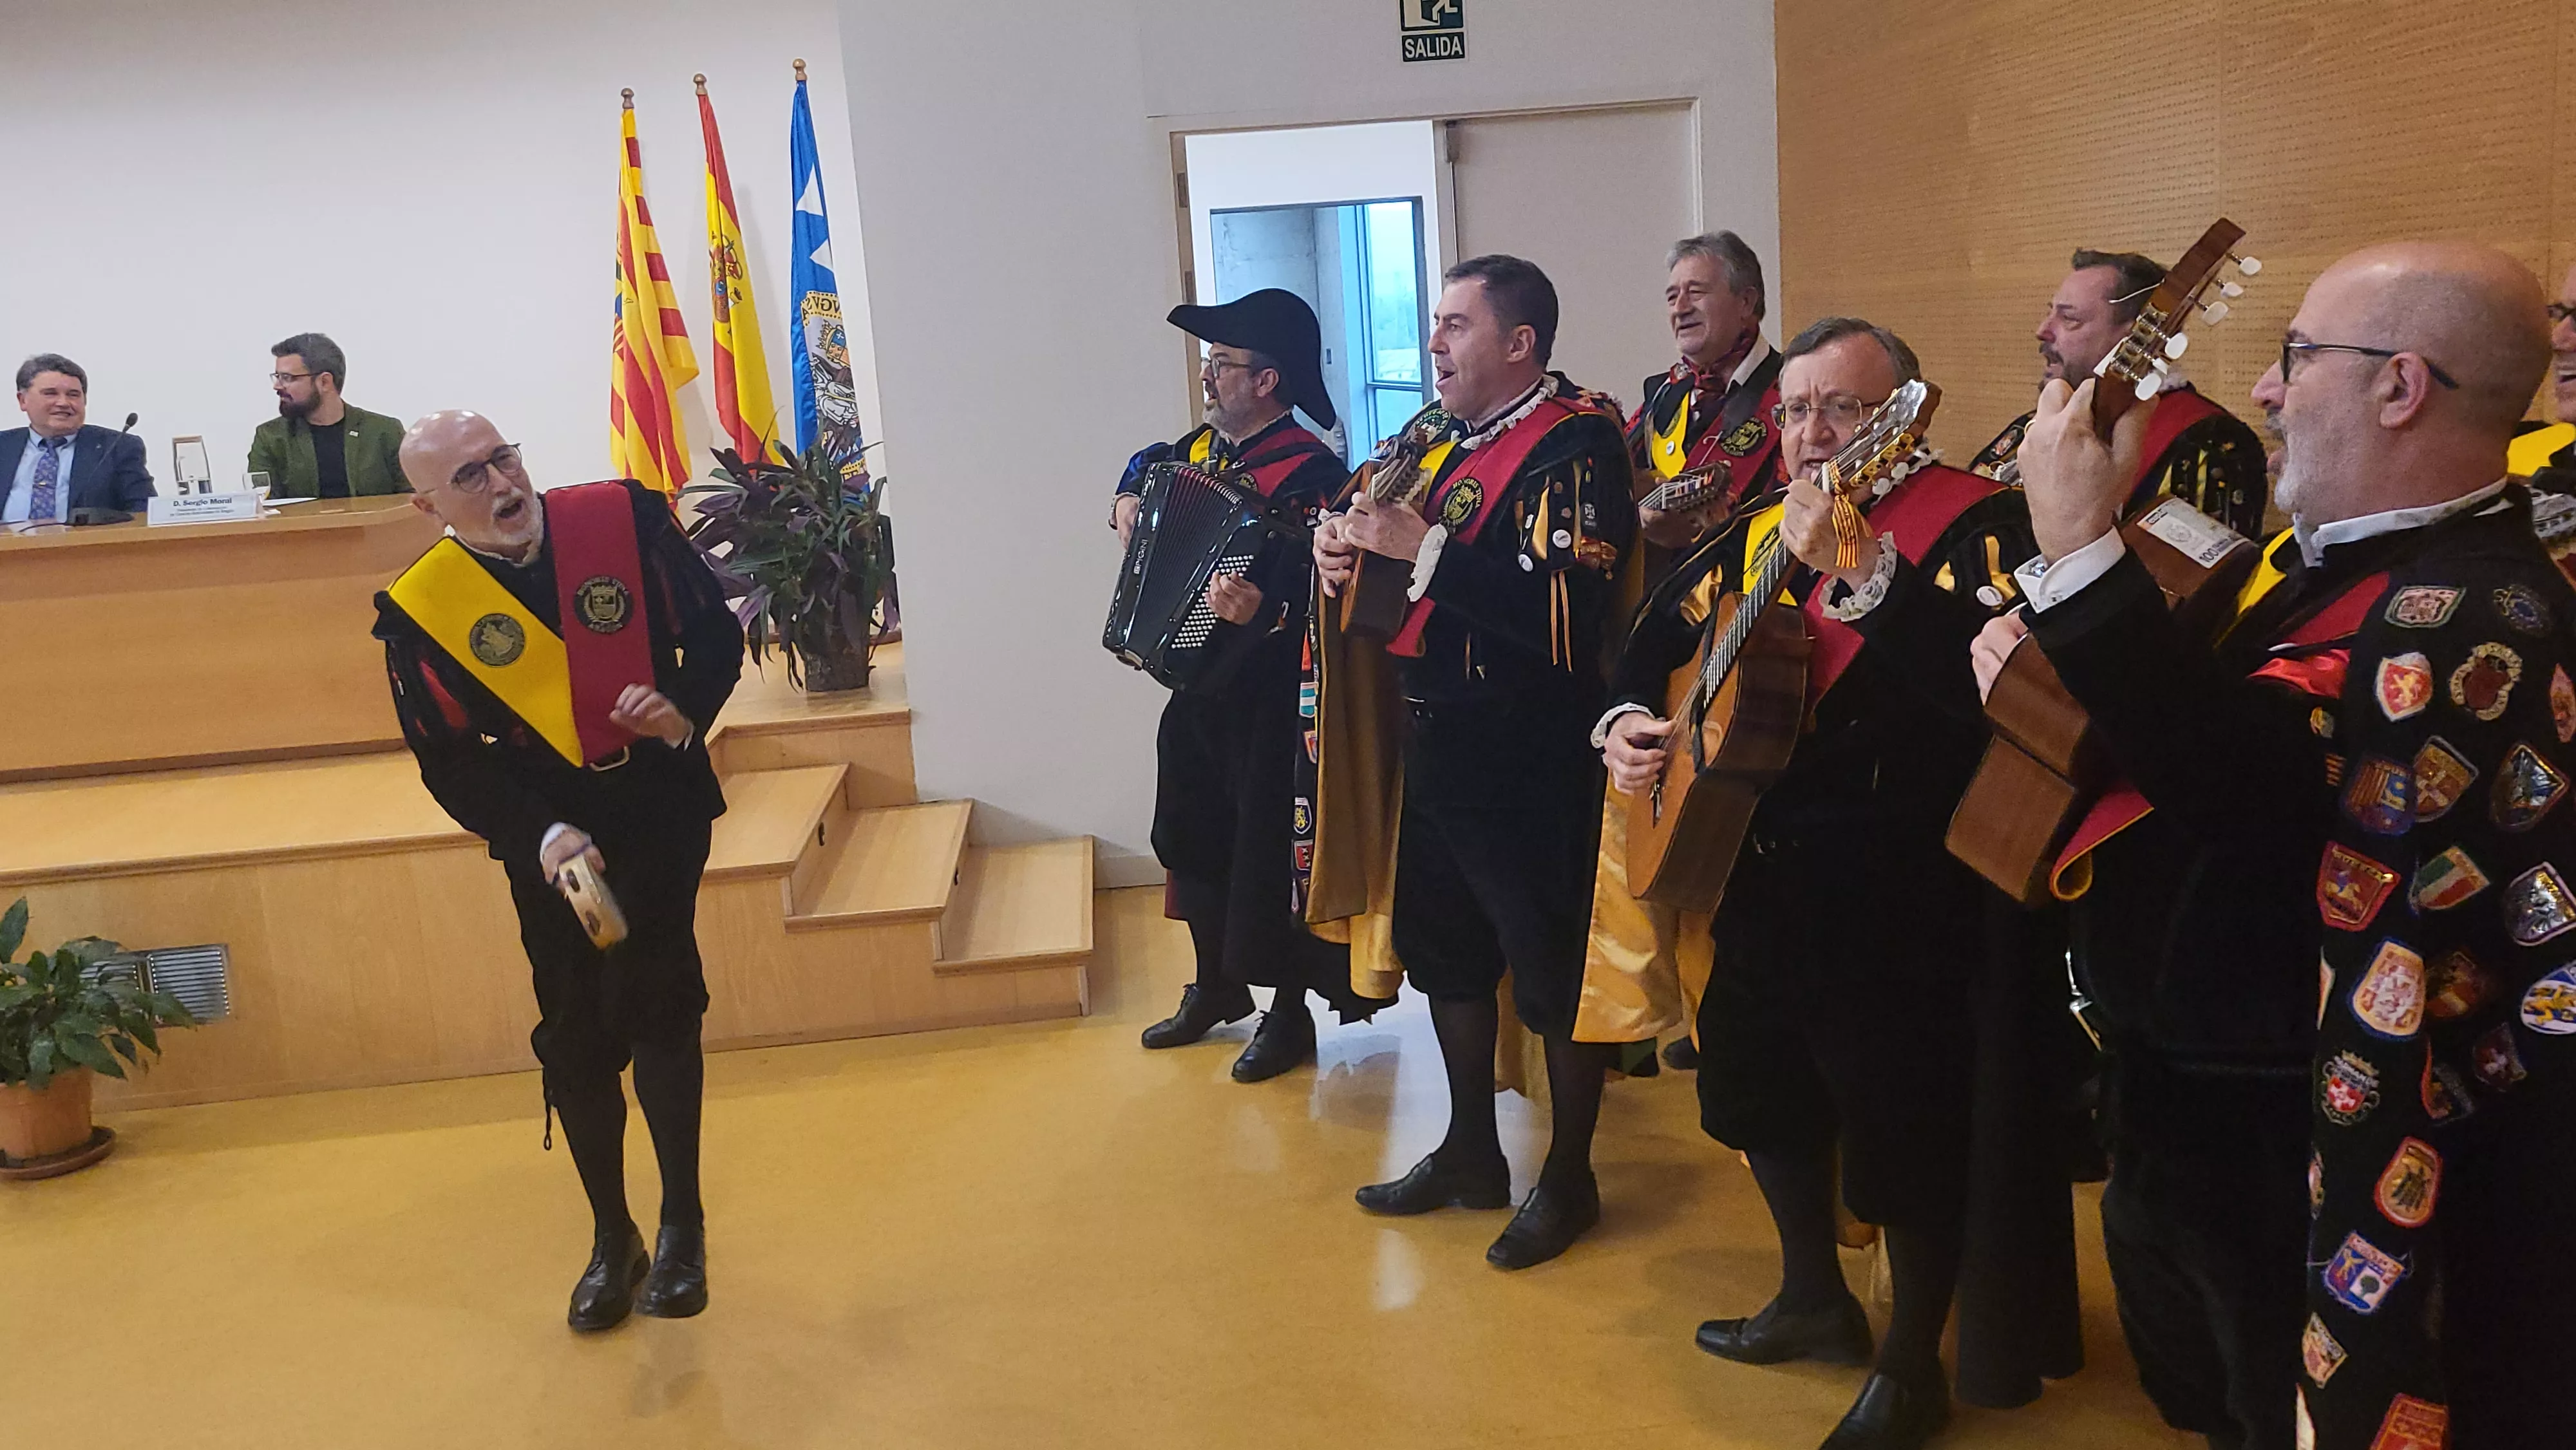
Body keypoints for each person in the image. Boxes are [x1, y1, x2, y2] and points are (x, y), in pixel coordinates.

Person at [2003, 240, 2575, 1449]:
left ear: (2400, 385)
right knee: (2210, 1397)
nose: (2265, 389)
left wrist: (2080, 551)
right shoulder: (2339, 562)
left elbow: (2254, 791)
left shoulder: (2475, 608)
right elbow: (2206, 730)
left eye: (2297, 355)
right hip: (2184, 1094)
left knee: (2276, 1405)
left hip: (2296, 1133)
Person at [1600, 318, 2033, 1449]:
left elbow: (2001, 696)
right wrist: (1627, 721)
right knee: (1756, 1092)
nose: (1810, 431)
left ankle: (1912, 1363)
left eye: (1840, 407)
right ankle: (1811, 1296)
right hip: (1759, 863)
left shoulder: (1979, 519)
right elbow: (1647, 640)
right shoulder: (1758, 526)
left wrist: (1868, 573)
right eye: (1794, 409)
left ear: (1903, 415)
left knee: (1905, 1130)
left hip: (1902, 886)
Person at [374, 411, 744, 1332]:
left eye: (503, 458)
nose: (503, 484)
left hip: (656, 804)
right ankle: (613, 1237)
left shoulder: (620, 522)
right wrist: (540, 834)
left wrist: (681, 711)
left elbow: (715, 638)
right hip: (552, 838)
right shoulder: (422, 610)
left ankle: (683, 1226)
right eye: (470, 476)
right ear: (428, 506)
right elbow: (447, 760)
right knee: (576, 1033)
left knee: (661, 1001)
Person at [1307, 254, 1637, 1270]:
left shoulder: (1578, 439)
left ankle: (1570, 1177)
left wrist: (1425, 551)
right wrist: (1335, 542)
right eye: (1436, 324)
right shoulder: (1436, 434)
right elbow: (1360, 506)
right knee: (1445, 950)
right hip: (1436, 729)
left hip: (1529, 744)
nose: (1434, 343)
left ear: (1520, 343)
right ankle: (1469, 1151)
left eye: (1456, 324)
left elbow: (1569, 613)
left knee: (1549, 968)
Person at [1114, 288, 1387, 1079]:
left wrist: (1267, 608)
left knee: (1270, 854)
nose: (1208, 375)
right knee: (1189, 831)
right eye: (1210, 361)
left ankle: (1288, 1012)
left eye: (1223, 363)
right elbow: (1145, 465)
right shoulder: (1199, 452)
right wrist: (1123, 498)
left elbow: (1338, 589)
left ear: (1268, 381)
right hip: (1199, 683)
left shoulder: (1316, 476)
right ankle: (1215, 986)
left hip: (1277, 697)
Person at [1971, 249, 2268, 538]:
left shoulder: (2207, 444)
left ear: (2136, 336)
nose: (2043, 330)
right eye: (2050, 313)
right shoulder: (2036, 424)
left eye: (2070, 318)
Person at [1630, 231, 1784, 563]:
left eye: (1696, 292)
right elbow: (1618, 482)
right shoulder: (1662, 393)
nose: (1680, 308)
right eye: (1672, 297)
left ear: (1746, 302)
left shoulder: (1794, 394)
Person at [249, 332, 411, 499]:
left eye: (287, 378)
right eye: (277, 377)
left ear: (324, 382)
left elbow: (413, 498)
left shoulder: (384, 432)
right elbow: (263, 503)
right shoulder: (271, 437)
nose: (277, 386)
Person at [1, 353, 153, 523]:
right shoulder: (4, 446)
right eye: (50, 394)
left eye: (73, 395)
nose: (63, 403)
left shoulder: (118, 448)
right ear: (23, 400)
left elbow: (145, 514)